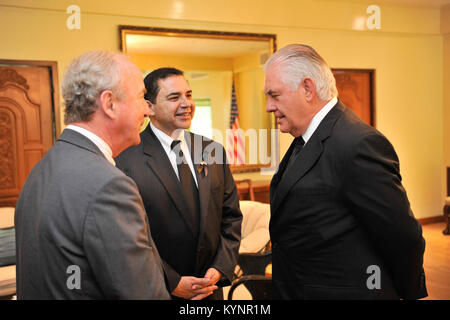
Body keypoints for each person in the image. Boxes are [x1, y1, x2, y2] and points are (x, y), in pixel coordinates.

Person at [264, 44, 427, 300]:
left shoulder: (357, 144)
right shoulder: (306, 137)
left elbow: (402, 236)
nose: (268, 107)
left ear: (307, 89)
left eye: (275, 95)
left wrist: (402, 292)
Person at [14, 51, 170, 300]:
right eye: (142, 97)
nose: (148, 111)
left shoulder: (41, 168)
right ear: (109, 104)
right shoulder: (109, 186)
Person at [115, 67, 242, 300]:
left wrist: (220, 268)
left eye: (189, 95)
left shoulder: (212, 151)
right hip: (158, 290)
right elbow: (128, 236)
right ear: (149, 107)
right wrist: (172, 281)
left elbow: (231, 217)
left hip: (210, 290)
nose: (187, 104)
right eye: (174, 97)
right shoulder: (124, 159)